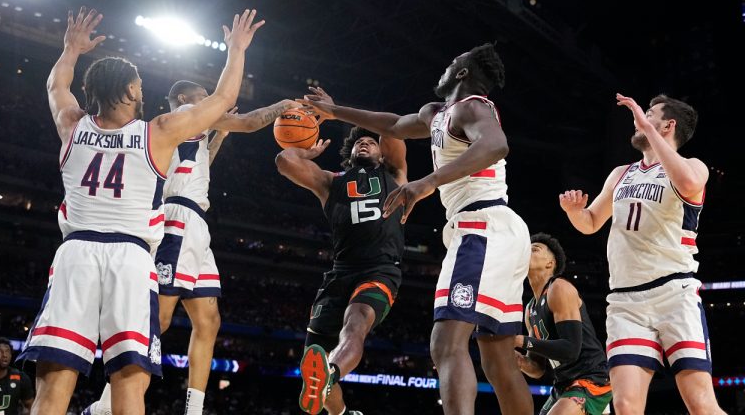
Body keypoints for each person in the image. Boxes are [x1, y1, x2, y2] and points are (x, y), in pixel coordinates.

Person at [15, 6, 263, 415]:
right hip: (131, 259)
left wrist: (71, 50)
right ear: (130, 92)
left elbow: (55, 84)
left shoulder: (71, 124)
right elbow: (224, 99)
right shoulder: (158, 133)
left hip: (76, 255)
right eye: (139, 84)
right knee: (130, 382)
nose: (143, 90)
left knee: (54, 383)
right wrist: (235, 49)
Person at [299, 43, 533, 414]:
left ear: (462, 73)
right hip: (501, 230)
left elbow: (496, 145)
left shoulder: (472, 107)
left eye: (452, 61)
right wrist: (334, 110)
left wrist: (427, 182)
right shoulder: (436, 113)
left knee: (446, 344)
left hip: (481, 225)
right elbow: (391, 125)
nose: (445, 65)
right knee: (498, 358)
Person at [83, 81, 298, 415]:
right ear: (184, 100)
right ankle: (107, 402)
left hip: (194, 222)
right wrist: (282, 105)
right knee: (161, 317)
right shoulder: (186, 114)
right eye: (204, 95)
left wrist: (220, 137)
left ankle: (194, 409)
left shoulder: (188, 131)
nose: (211, 100)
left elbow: (198, 168)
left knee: (209, 320)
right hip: (179, 219)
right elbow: (251, 122)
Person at [559, 93, 724, 414]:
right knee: (625, 405)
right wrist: (574, 212)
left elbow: (690, 183)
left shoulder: (692, 166)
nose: (639, 119)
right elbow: (591, 223)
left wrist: (647, 127)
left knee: (701, 404)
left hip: (674, 294)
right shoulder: (621, 173)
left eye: (650, 114)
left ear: (668, 125)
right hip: (625, 302)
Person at [276, 90, 407, 415]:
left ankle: (332, 373)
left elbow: (391, 127)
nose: (365, 143)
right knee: (313, 359)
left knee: (356, 321)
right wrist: (305, 151)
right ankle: (342, 412)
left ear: (381, 153)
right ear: (349, 153)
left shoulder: (395, 176)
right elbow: (284, 161)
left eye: (371, 142)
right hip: (340, 273)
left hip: (379, 269)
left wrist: (337, 111)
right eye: (360, 143)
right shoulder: (329, 181)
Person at [515, 233, 612, 415]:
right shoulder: (530, 309)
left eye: (535, 249)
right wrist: (518, 361)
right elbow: (538, 369)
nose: (527, 250)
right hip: (563, 384)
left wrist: (521, 340)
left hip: (591, 378)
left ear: (550, 264)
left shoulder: (559, 288)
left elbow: (570, 350)